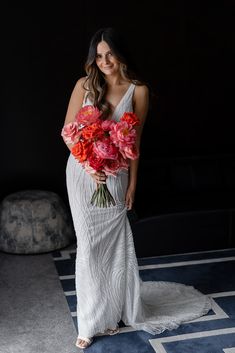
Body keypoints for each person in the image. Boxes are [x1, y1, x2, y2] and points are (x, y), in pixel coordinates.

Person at [62, 27, 211, 349]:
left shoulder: (138, 90)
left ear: (121, 54)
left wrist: (132, 184)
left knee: (115, 247)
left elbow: (135, 142)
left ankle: (114, 311)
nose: (104, 61)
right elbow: (68, 133)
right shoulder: (83, 85)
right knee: (88, 248)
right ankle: (89, 321)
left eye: (110, 54)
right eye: (99, 56)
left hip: (115, 176)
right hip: (81, 173)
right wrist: (90, 166)